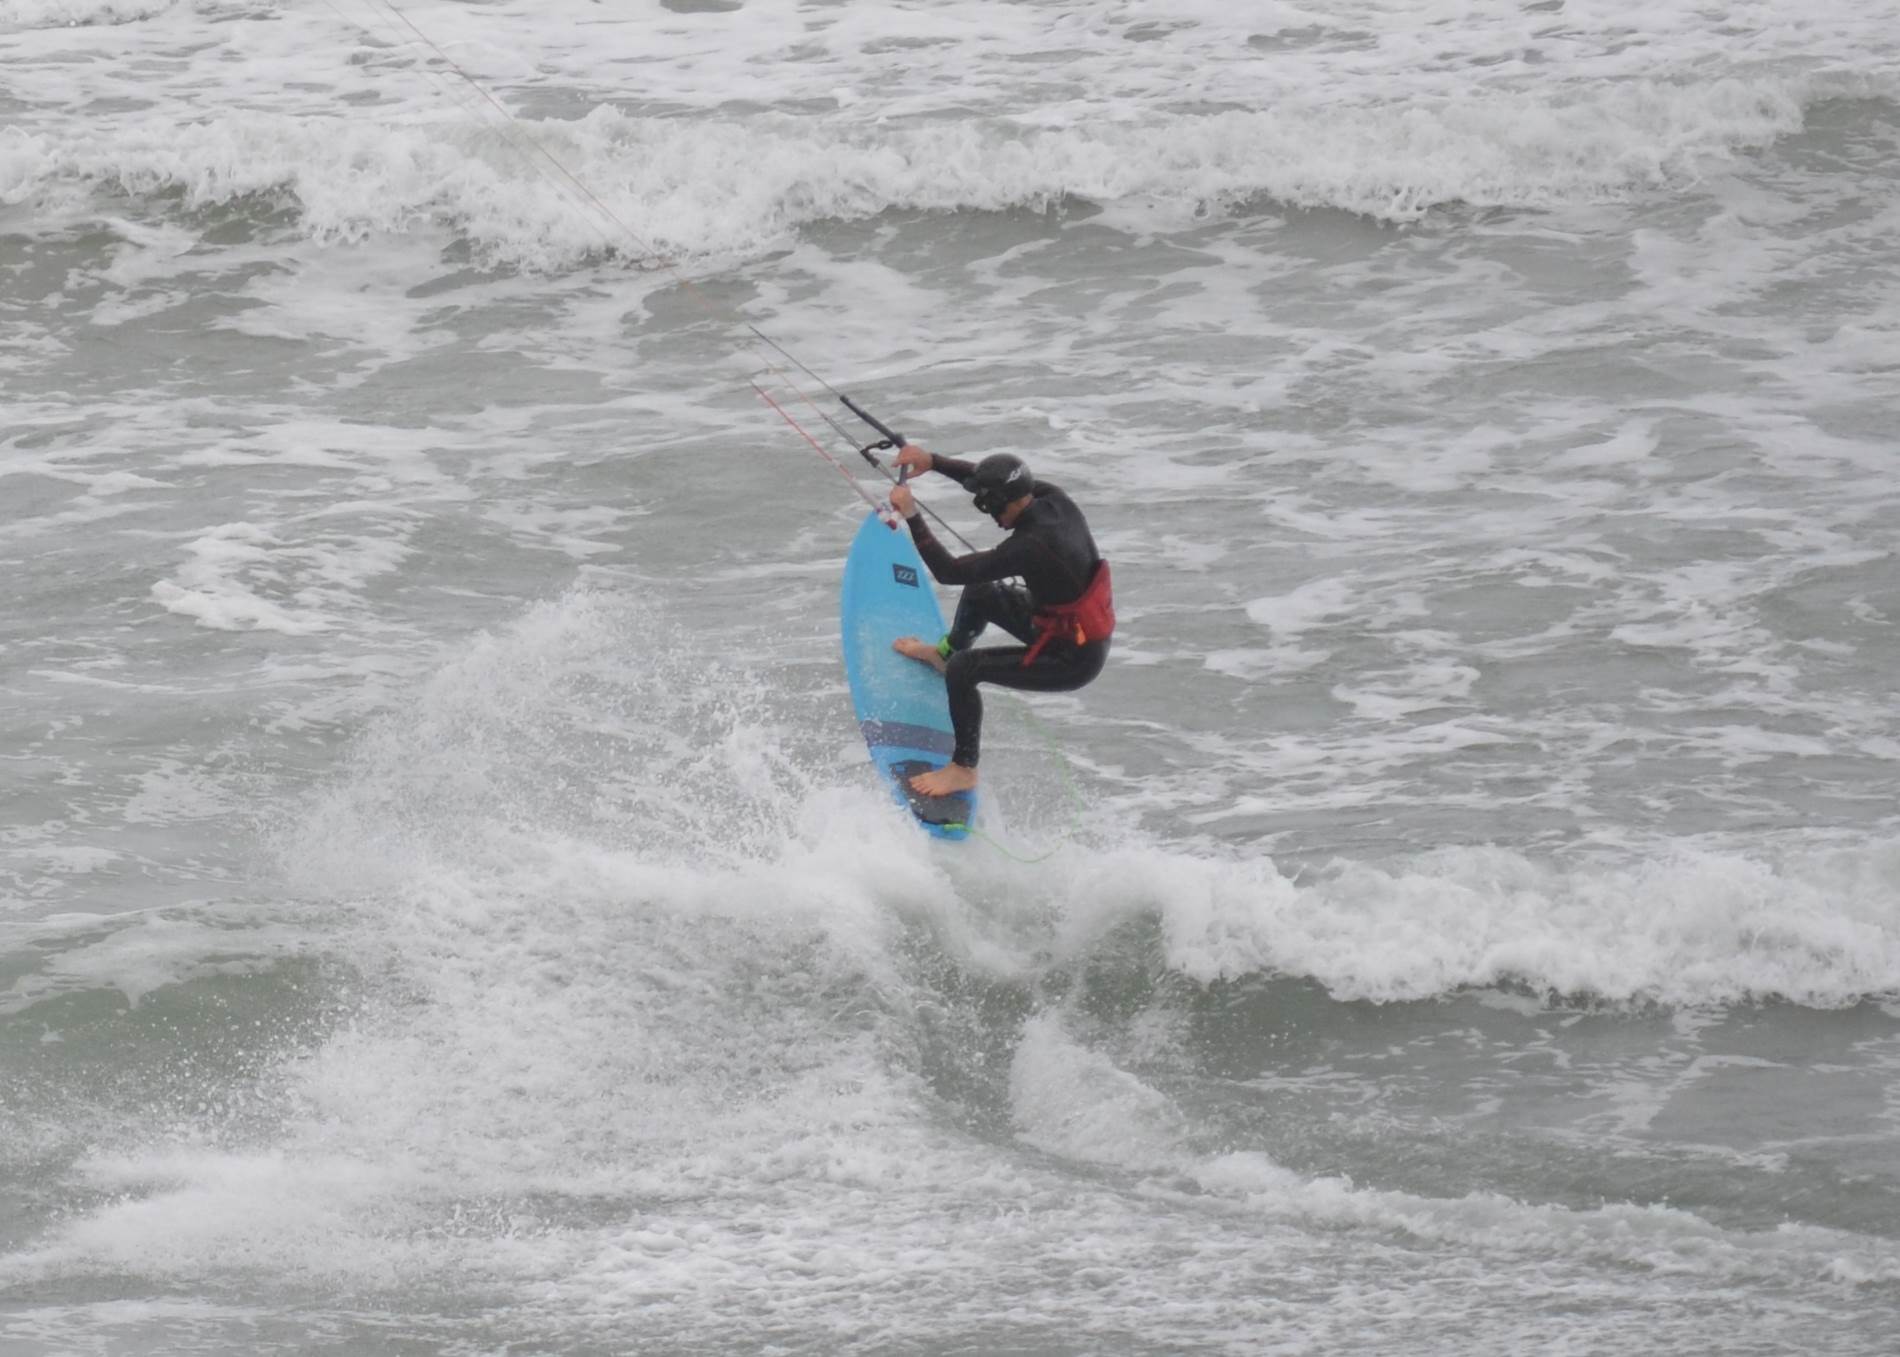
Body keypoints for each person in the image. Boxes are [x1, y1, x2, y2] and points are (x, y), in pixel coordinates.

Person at [887, 442, 1114, 798]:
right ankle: (943, 655)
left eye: (991, 507)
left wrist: (912, 515)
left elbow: (948, 571)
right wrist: (932, 462)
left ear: (1006, 502)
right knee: (981, 591)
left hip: (1072, 659)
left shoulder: (1031, 546)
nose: (993, 517)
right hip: (1055, 626)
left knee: (965, 669)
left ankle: (963, 769)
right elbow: (982, 480)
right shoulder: (1053, 499)